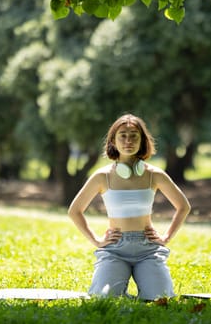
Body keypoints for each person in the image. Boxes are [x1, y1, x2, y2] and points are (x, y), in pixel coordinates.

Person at [68, 114, 191, 301]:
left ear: (142, 141)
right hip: (115, 248)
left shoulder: (154, 175)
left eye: (134, 135)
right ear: (113, 141)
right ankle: (123, 294)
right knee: (104, 298)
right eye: (122, 135)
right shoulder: (102, 177)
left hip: (148, 249)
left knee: (161, 299)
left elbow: (183, 206)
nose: (128, 141)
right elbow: (74, 211)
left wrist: (166, 237)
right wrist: (97, 241)